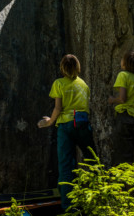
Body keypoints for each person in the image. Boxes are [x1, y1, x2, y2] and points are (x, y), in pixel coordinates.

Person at [37, 54, 95, 212]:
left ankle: (69, 208)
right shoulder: (83, 84)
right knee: (92, 161)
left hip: (66, 125)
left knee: (66, 166)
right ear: (78, 67)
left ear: (62, 68)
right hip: (83, 123)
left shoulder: (59, 83)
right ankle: (99, 196)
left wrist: (49, 122)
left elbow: (58, 108)